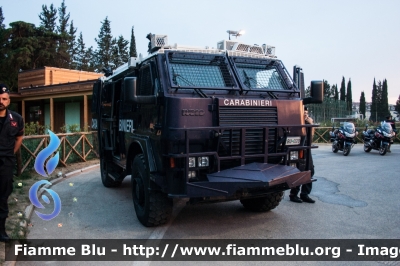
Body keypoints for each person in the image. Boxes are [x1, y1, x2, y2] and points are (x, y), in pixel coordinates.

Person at [0, 84, 24, 242]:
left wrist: (10, 154)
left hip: (5, 163)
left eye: (4, 99)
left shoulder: (16, 119)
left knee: (2, 197)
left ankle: (1, 231)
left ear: (9, 101)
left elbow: (19, 139)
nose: (1, 101)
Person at [289, 106, 315, 203]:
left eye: (307, 113)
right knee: (299, 171)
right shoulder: (296, 122)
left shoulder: (308, 122)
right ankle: (293, 194)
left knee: (310, 171)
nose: (305, 114)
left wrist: (310, 124)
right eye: (304, 112)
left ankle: (305, 194)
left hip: (307, 149)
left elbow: (311, 136)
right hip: (298, 149)